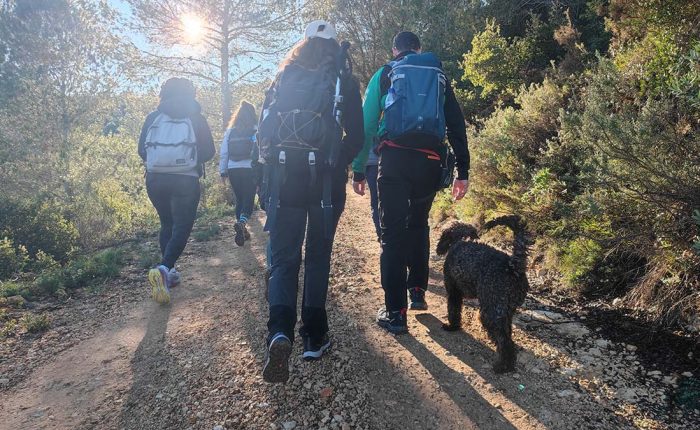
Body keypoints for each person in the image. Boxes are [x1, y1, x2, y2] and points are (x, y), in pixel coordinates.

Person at [258, 20, 364, 383]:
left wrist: (265, 181)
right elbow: (358, 136)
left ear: (302, 45)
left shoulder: (282, 77)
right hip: (325, 185)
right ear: (334, 47)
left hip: (285, 179)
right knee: (318, 256)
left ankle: (279, 331)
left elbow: (264, 135)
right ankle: (314, 337)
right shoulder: (343, 82)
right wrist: (337, 162)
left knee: (284, 258)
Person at [352, 31, 470, 334]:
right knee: (418, 224)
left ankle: (396, 313)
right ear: (419, 49)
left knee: (392, 235)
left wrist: (358, 168)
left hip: (394, 159)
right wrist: (463, 171)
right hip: (430, 161)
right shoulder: (437, 75)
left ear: (395, 50)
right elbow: (456, 123)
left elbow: (366, 125)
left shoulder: (385, 73)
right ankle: (417, 290)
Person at [138, 77, 215, 304]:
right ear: (191, 94)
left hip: (155, 179)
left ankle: (169, 274)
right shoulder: (196, 117)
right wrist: (189, 159)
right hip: (185, 179)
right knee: (182, 227)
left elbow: (142, 150)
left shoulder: (153, 117)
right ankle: (164, 268)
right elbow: (209, 151)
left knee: (167, 224)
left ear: (164, 93)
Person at [219, 100, 260, 247]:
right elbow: (260, 151)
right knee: (248, 199)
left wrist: (223, 171)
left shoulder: (230, 131)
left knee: (240, 199)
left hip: (233, 168)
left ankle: (242, 228)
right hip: (250, 168)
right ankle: (242, 224)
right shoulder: (255, 130)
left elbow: (224, 152)